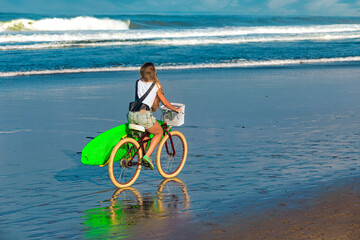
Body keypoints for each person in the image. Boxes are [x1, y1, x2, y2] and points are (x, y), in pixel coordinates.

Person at [128, 62, 180, 170]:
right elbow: (165, 103)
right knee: (159, 132)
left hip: (131, 114)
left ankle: (141, 155)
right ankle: (147, 156)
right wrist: (175, 109)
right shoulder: (156, 85)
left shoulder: (138, 82)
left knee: (147, 132)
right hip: (143, 115)